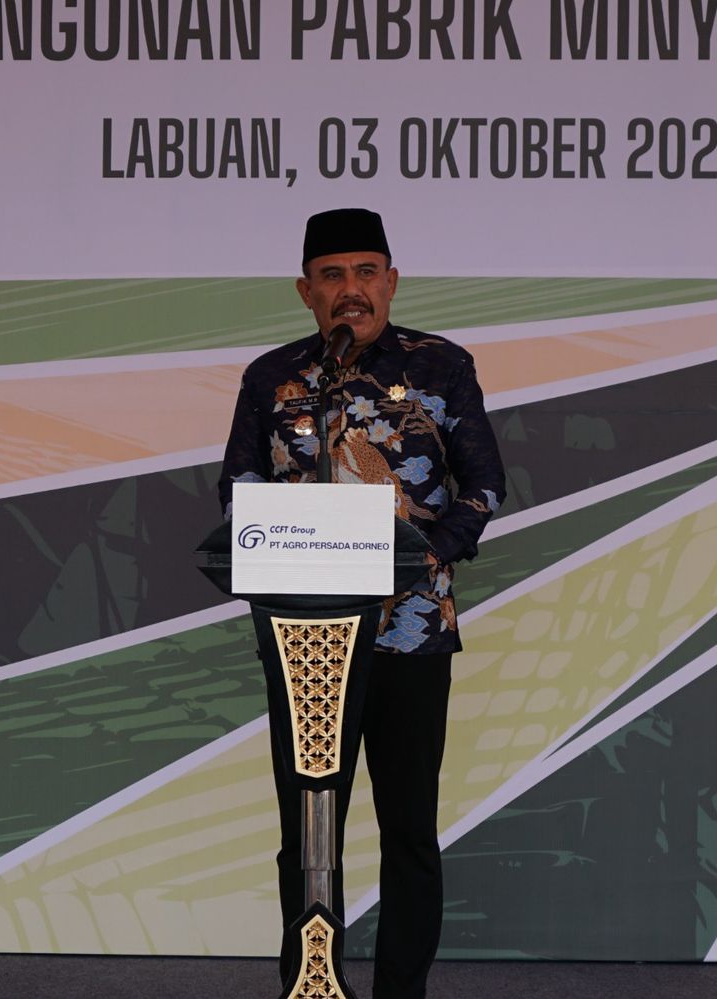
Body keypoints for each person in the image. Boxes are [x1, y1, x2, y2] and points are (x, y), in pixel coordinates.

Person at [217, 208, 505, 999]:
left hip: (410, 632)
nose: (352, 289)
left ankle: (400, 992)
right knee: (309, 830)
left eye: (367, 271)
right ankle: (312, 985)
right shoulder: (272, 379)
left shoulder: (440, 366)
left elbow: (484, 485)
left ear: (392, 281)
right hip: (306, 639)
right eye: (333, 275)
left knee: (409, 827)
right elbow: (238, 490)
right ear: (306, 290)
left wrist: (428, 551)